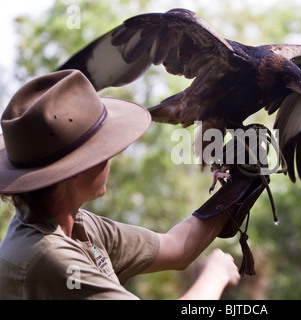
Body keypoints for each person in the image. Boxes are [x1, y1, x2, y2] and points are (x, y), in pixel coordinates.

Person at [0, 69, 241, 299]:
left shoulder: (75, 225)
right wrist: (214, 276)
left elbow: (177, 248)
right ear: (74, 171)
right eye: (102, 150)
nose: (110, 158)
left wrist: (240, 184)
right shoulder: (49, 257)